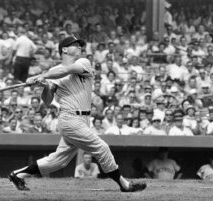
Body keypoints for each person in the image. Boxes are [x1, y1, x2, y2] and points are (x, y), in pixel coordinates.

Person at [8, 36, 146, 192]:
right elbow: (47, 101)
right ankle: (124, 185)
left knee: (59, 161)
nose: (80, 47)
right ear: (64, 49)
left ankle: (17, 175)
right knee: (102, 148)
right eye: (75, 45)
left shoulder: (82, 63)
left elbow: (66, 70)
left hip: (83, 119)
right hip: (69, 118)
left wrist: (42, 76)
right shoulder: (54, 73)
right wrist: (45, 86)